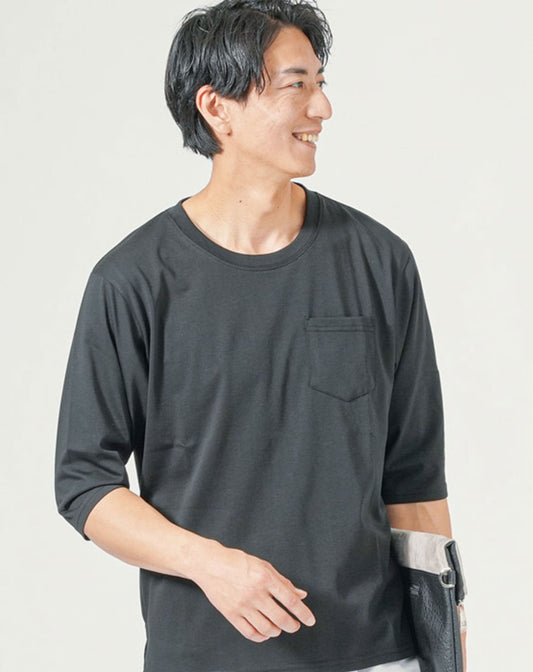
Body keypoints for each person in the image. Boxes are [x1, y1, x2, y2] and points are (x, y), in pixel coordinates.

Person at [54, 1, 467, 671]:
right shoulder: (132, 281)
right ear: (216, 107)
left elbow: (415, 476)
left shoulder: (380, 261)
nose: (322, 107)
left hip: (374, 654)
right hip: (205, 655)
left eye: (320, 83)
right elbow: (84, 483)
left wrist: (447, 647)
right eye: (295, 85)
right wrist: (211, 565)